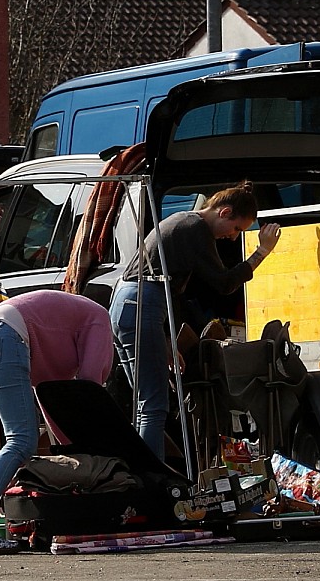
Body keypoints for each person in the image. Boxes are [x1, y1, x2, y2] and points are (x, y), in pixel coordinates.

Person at [110, 182, 283, 454]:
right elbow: (224, 283)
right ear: (224, 212)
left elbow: (170, 287)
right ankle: (152, 484)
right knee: (153, 405)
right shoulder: (195, 229)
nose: (234, 237)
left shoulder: (182, 222)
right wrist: (261, 252)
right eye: (237, 228)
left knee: (144, 403)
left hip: (128, 302)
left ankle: (143, 474)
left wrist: (168, 340)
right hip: (143, 303)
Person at [0, 288, 116, 556]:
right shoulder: (99, 317)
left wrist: (75, 451)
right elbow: (89, 386)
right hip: (3, 338)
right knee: (21, 441)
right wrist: (94, 456)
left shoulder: (65, 326)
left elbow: (50, 403)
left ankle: (4, 518)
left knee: (20, 439)